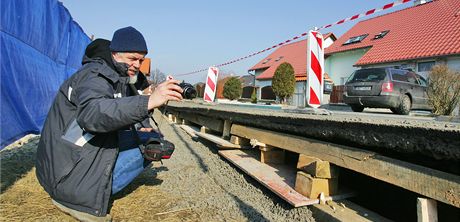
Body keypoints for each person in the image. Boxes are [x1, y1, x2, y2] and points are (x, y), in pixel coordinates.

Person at [36, 26, 183, 221]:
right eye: (133, 58)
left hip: (74, 152)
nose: (137, 64)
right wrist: (149, 101)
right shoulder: (94, 75)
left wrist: (143, 122)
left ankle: (87, 188)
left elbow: (125, 105)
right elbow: (93, 115)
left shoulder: (119, 75)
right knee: (153, 146)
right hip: (66, 174)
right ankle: (79, 199)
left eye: (141, 60)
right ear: (115, 54)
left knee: (153, 138)